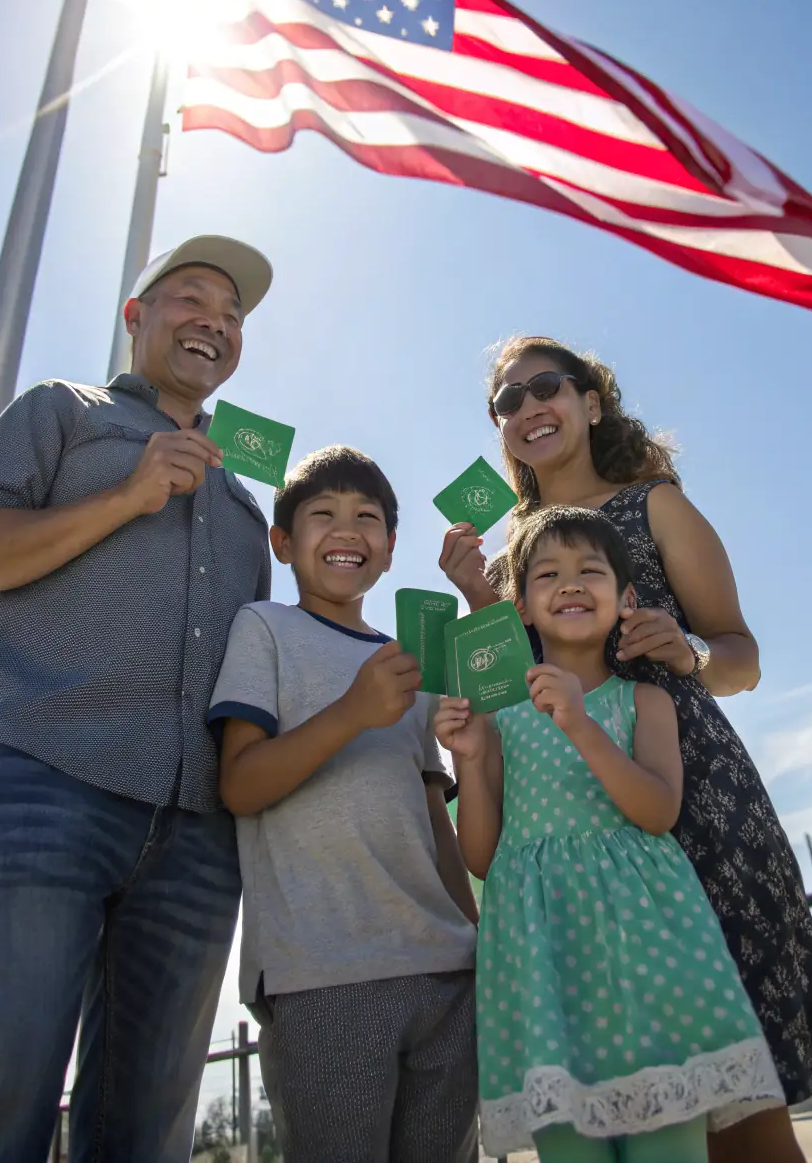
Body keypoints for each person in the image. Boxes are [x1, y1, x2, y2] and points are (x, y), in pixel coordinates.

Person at [439, 335, 812, 1163]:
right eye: (508, 401)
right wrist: (472, 599)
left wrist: (689, 653)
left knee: (738, 1109)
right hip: (564, 840)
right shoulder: (506, 555)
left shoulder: (654, 502)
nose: (529, 408)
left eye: (547, 387)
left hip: (690, 799)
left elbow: (741, 655)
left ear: (592, 401)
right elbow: (510, 703)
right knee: (618, 1100)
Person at [0, 237, 274, 1163]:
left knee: (146, 1130)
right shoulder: (60, 413)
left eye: (231, 316)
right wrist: (127, 494)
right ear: (137, 317)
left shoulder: (244, 504)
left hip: (196, 837)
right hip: (43, 784)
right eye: (191, 297)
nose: (214, 320)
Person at [436, 505, 784, 1161]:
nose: (569, 583)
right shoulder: (502, 716)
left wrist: (579, 723)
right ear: (523, 607)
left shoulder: (644, 702)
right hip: (545, 970)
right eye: (547, 574)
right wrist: (474, 759)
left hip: (646, 963)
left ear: (626, 597)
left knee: (668, 1144)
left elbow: (657, 811)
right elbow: (482, 855)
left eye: (589, 570)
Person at [208, 445, 480, 1163]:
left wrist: (478, 939)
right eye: (322, 514)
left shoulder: (411, 662)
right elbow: (239, 784)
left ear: (390, 549)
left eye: (367, 518)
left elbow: (434, 819)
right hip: (322, 972)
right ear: (283, 542)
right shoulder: (263, 627)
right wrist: (353, 711)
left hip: (445, 970)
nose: (346, 530)